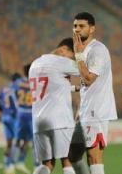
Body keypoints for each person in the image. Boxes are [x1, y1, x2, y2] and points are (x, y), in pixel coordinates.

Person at [69, 12, 118, 174]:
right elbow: (85, 85)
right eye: (75, 26)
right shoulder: (83, 49)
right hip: (85, 110)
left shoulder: (98, 50)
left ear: (92, 29)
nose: (77, 29)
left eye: (81, 26)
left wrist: (78, 56)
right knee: (72, 155)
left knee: (93, 155)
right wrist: (79, 109)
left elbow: (89, 79)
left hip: (96, 110)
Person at [30, 38, 80, 174]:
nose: (72, 60)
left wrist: (75, 88)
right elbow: (86, 72)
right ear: (63, 49)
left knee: (47, 163)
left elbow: (51, 88)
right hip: (60, 119)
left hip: (39, 121)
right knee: (67, 159)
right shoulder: (61, 62)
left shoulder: (35, 64)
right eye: (72, 55)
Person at [12, 64, 39, 174]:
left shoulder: (17, 82)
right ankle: (36, 166)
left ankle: (12, 165)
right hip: (31, 114)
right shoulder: (35, 82)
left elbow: (12, 95)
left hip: (20, 113)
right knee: (34, 142)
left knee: (18, 140)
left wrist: (17, 106)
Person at [0, 73, 20, 174]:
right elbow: (18, 103)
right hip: (14, 117)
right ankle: (11, 165)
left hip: (4, 117)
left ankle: (6, 165)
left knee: (9, 142)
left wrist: (2, 111)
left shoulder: (4, 89)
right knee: (17, 141)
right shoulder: (17, 88)